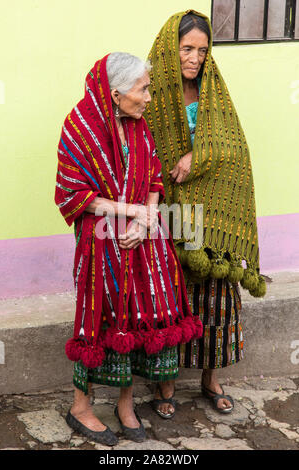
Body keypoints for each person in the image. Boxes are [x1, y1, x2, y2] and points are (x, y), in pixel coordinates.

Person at [55, 52, 202, 445]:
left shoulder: (137, 126)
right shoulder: (80, 127)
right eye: (143, 90)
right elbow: (72, 194)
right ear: (116, 93)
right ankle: (80, 406)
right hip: (100, 242)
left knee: (136, 319)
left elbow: (154, 175)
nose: (149, 97)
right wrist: (129, 210)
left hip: (140, 239)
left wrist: (146, 219)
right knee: (100, 318)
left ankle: (125, 405)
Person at [145, 10, 267, 417]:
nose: (195, 57)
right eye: (186, 48)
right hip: (167, 213)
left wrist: (197, 156)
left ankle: (211, 380)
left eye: (202, 49)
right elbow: (142, 151)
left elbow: (237, 150)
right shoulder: (152, 95)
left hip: (211, 218)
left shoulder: (214, 91)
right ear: (170, 48)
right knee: (171, 297)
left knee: (215, 299)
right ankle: (165, 384)